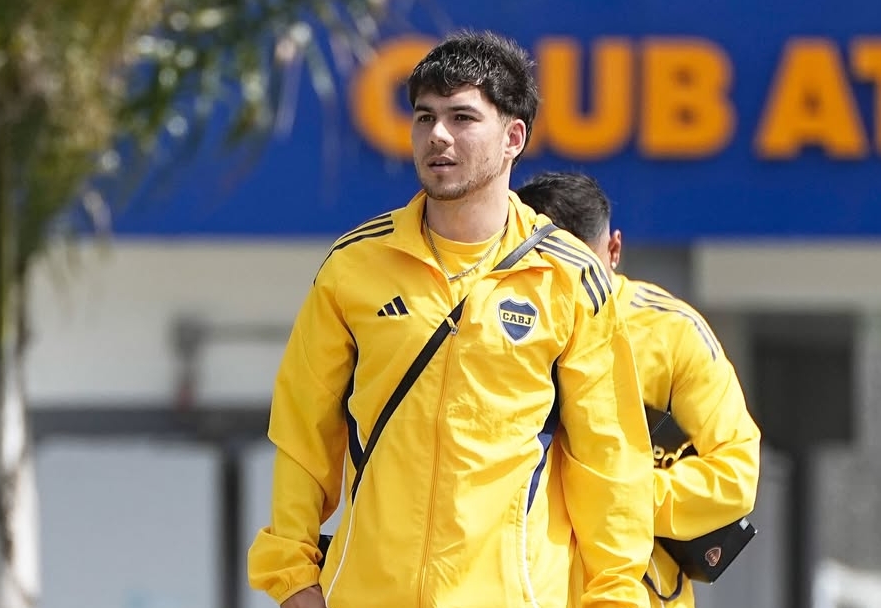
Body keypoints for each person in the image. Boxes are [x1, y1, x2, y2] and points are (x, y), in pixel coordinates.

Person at [246, 31, 655, 608]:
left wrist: (614, 599)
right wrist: (293, 580)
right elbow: (302, 432)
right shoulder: (353, 266)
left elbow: (609, 462)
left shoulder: (569, 277)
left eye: (462, 117)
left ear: (513, 137)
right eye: (423, 117)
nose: (437, 135)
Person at [516, 171, 762, 608]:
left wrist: (615, 496)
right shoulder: (492, 330)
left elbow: (735, 474)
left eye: (581, 271)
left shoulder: (671, 334)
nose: (568, 291)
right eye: (545, 271)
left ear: (613, 251)